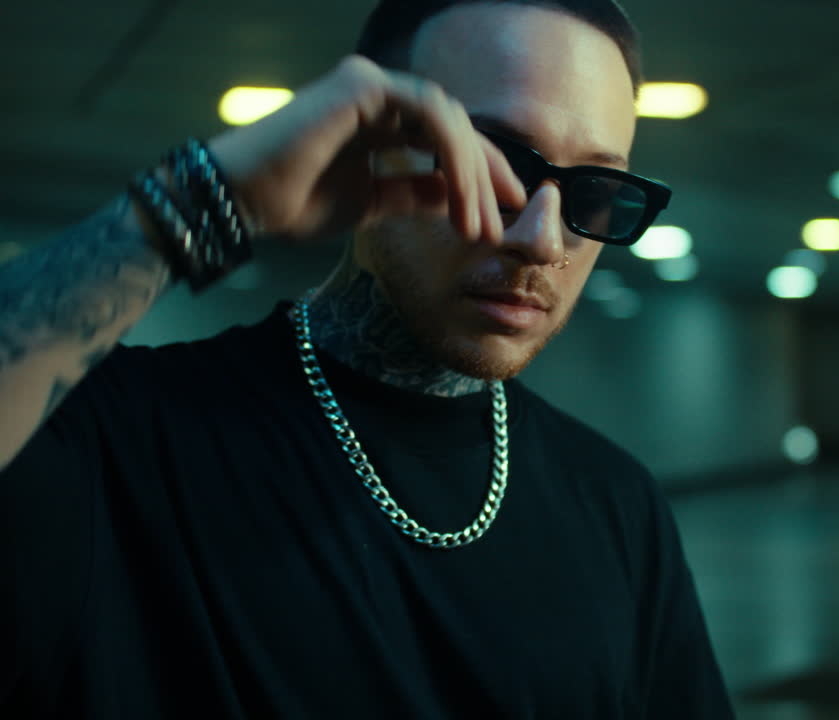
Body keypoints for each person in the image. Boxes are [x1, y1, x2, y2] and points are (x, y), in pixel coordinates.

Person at [0, 0, 736, 716]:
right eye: (492, 163)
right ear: (367, 143)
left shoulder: (616, 502)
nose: (543, 240)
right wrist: (207, 198)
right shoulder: (122, 441)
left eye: (598, 191)